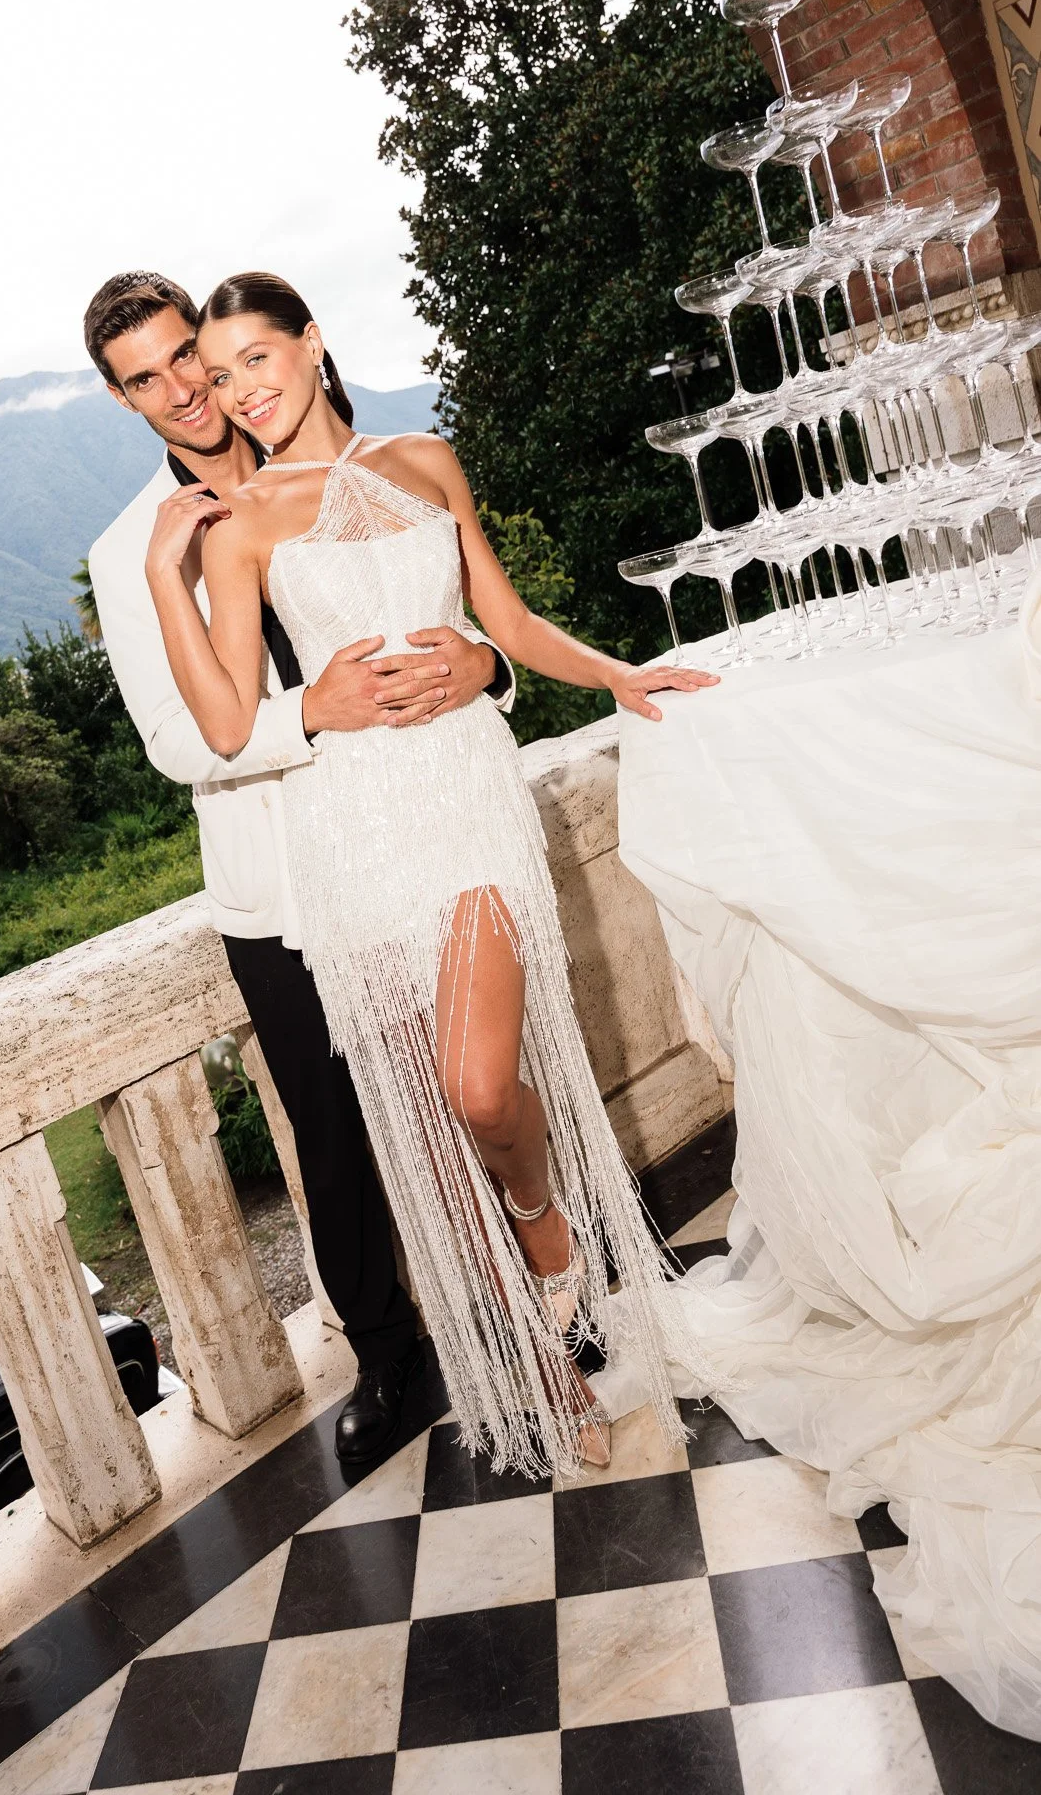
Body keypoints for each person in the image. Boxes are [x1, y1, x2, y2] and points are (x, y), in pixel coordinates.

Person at [146, 271, 721, 1475]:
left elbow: (503, 623)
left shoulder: (424, 461)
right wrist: (168, 579)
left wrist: (618, 674)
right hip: (353, 828)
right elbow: (219, 716)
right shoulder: (241, 521)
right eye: (222, 369)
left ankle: (544, 1219)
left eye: (258, 357)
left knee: (477, 1087)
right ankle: (542, 1365)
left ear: (312, 346)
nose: (241, 388)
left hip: (464, 799)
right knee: (427, 1109)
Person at [85, 270, 519, 1463]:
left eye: (190, 358)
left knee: (464, 1090)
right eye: (147, 380)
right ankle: (390, 1356)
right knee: (333, 1135)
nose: (183, 391)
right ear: (122, 401)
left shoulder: (346, 455)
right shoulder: (132, 548)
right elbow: (181, 742)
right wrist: (311, 713)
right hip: (278, 883)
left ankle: (527, 1307)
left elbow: (452, 612)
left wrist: (493, 667)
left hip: (414, 833)